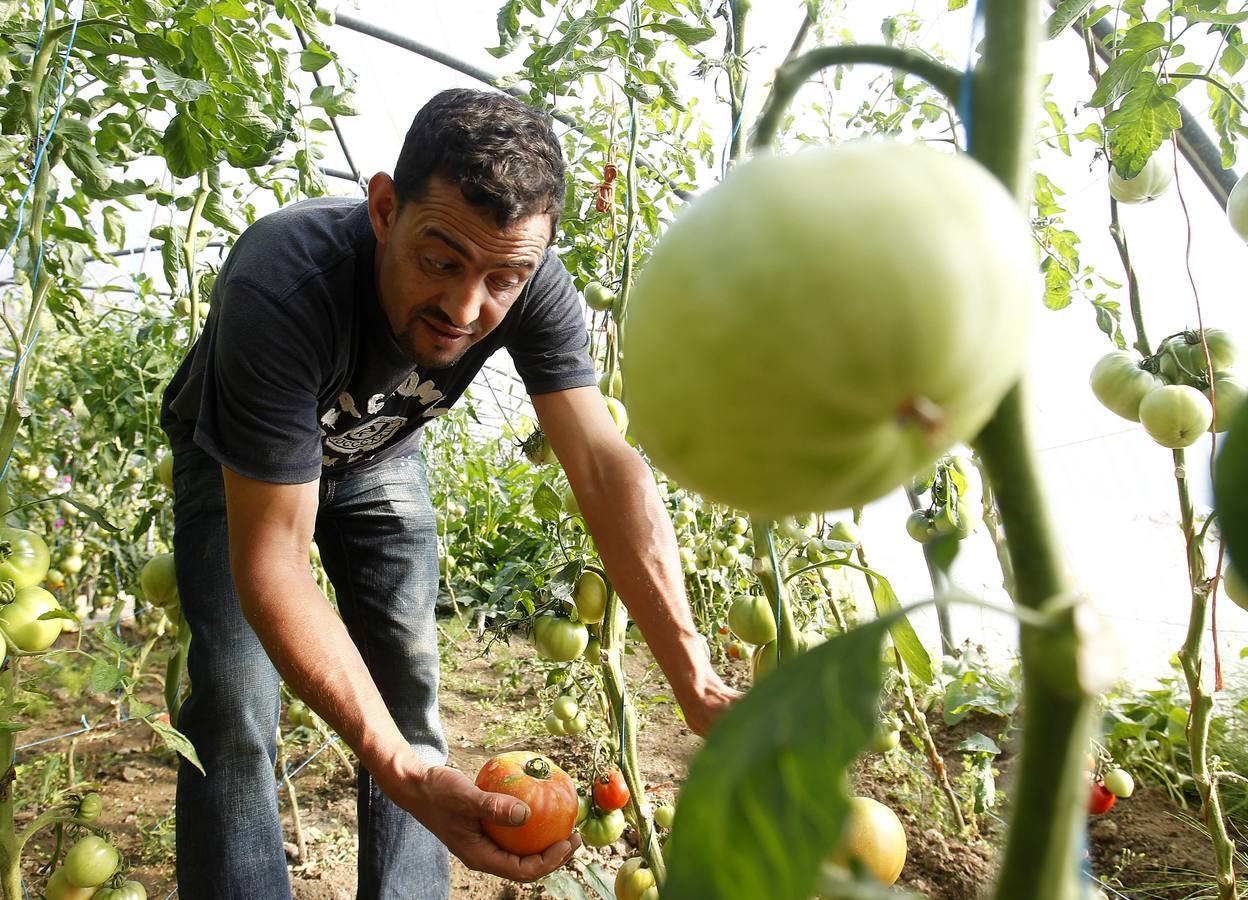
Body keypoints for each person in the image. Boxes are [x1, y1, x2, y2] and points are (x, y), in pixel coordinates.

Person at [159, 87, 740, 899]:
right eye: (441, 262)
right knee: (232, 695)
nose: (466, 309)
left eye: (503, 277)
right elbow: (275, 564)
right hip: (238, 465)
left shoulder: (526, 279)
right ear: (385, 209)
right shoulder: (281, 287)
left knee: (407, 680)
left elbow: (607, 468)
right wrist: (392, 765)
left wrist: (695, 679)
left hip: (377, 450)